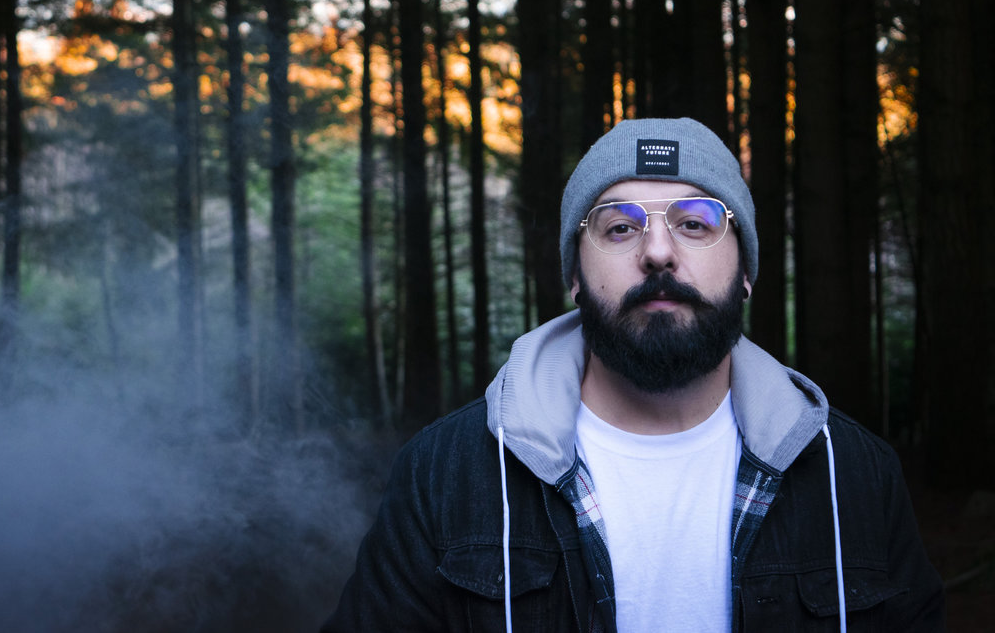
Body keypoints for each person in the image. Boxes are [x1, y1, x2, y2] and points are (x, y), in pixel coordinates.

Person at [323, 117, 943, 632]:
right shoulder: (443, 474)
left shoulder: (853, 474)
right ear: (574, 276)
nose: (658, 251)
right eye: (620, 227)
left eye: (695, 223)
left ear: (746, 272)